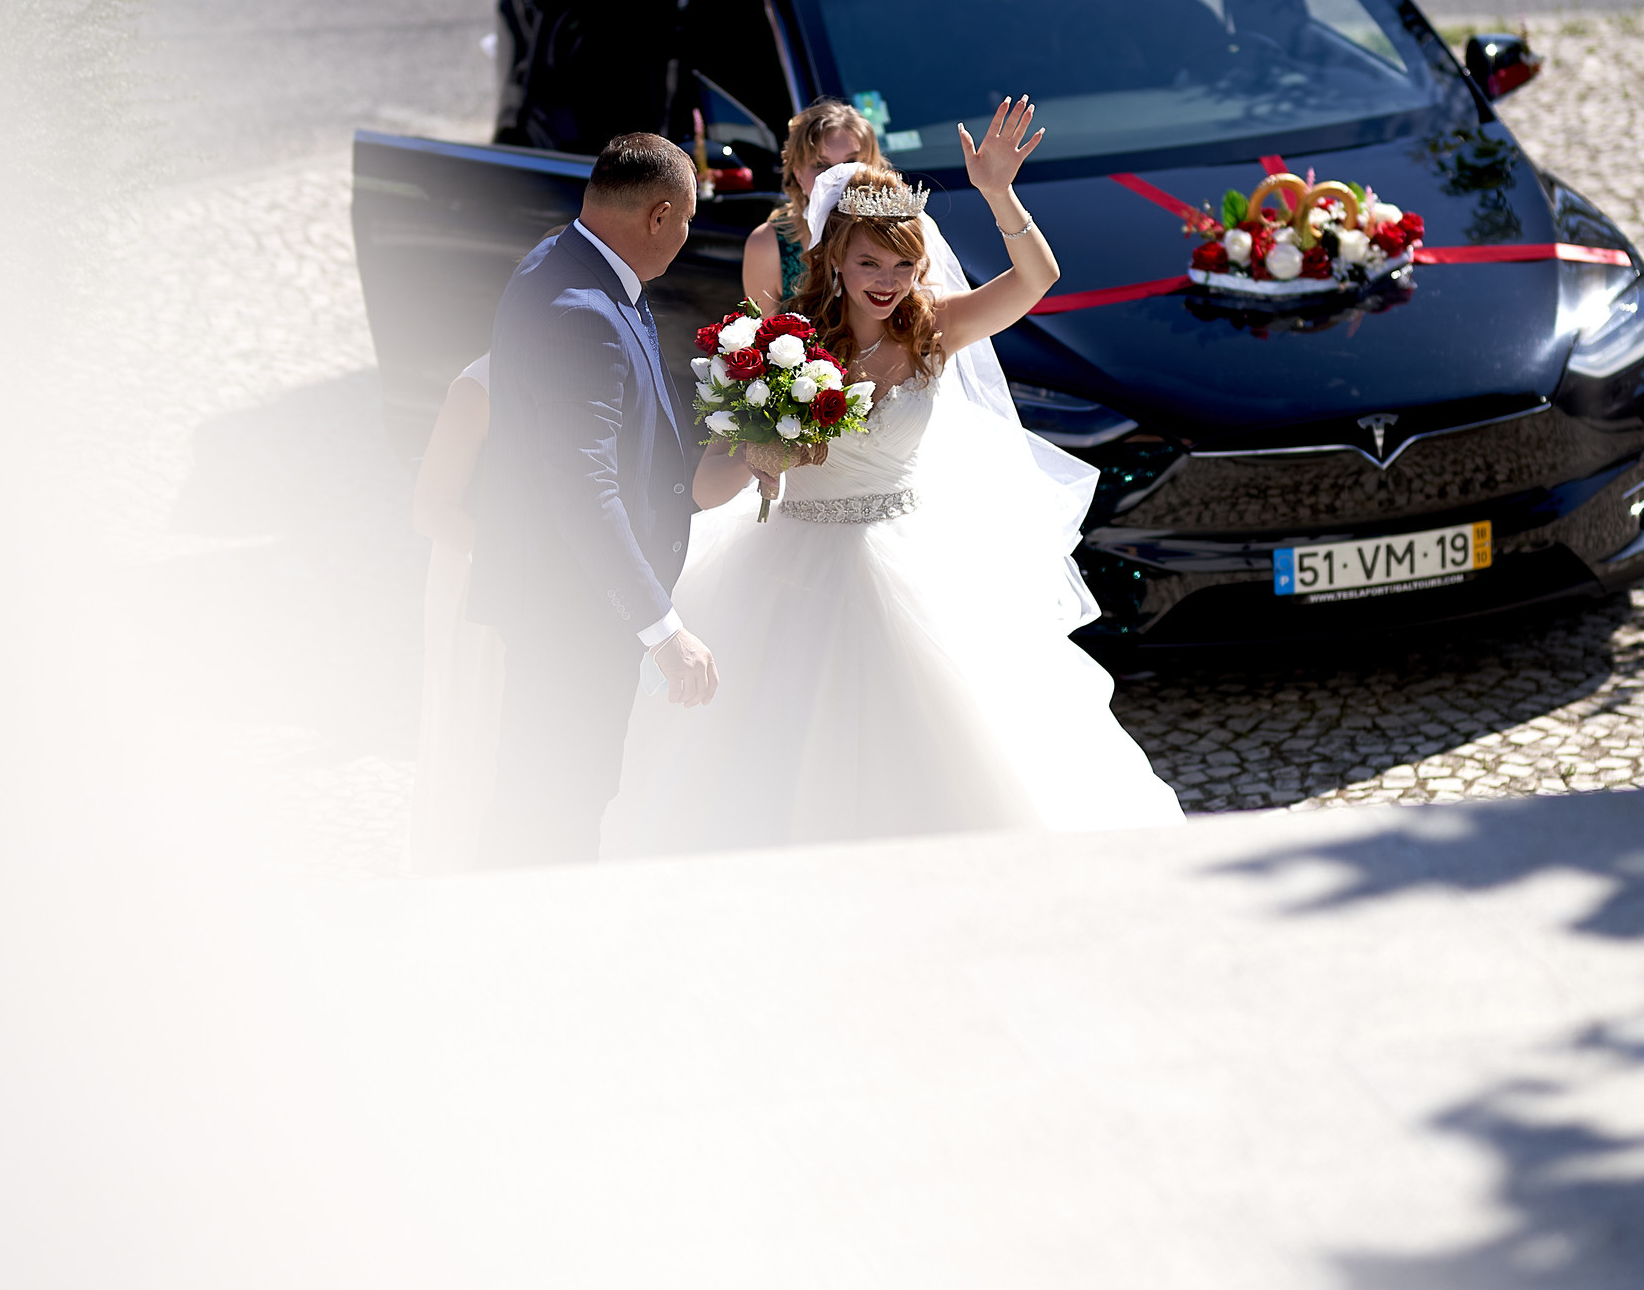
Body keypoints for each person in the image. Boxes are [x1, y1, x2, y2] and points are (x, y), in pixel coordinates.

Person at [603, 100, 1184, 854]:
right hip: (789, 577)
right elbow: (707, 491)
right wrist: (758, 458)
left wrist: (998, 192)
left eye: (903, 264)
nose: (887, 281)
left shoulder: (937, 326)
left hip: (916, 563)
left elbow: (1038, 277)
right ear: (834, 258)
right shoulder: (782, 343)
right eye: (869, 263)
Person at [470, 133, 719, 867]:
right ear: (660, 215)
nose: (686, 236)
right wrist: (664, 631)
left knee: (553, 798)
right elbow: (584, 489)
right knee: (557, 806)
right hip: (570, 616)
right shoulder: (582, 311)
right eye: (688, 220)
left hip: (561, 605)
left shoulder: (566, 261)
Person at [406, 355, 502, 874]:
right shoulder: (480, 386)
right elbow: (430, 509)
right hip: (478, 582)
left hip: (558, 587)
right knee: (475, 725)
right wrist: (521, 559)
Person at [739, 98, 880, 316]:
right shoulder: (768, 245)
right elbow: (761, 341)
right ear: (798, 175)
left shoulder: (900, 231)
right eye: (821, 165)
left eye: (851, 164)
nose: (837, 178)